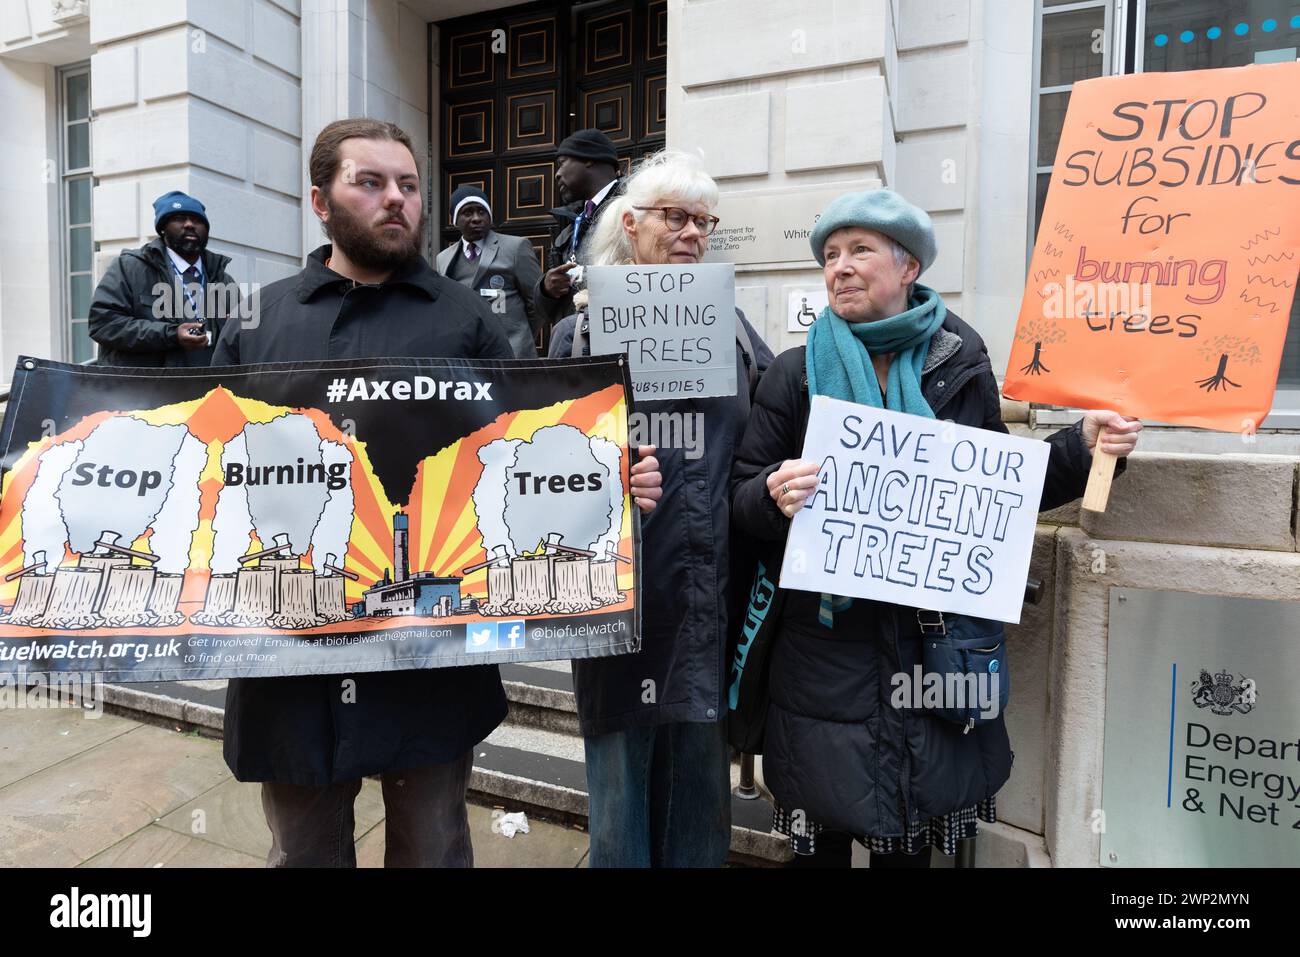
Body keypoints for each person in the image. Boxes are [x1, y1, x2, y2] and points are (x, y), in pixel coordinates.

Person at [211, 117, 664, 868]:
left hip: (431, 652)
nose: (397, 199)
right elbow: (207, 463)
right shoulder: (260, 320)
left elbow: (522, 455)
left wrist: (608, 480)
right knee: (302, 852)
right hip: (289, 657)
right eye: (371, 182)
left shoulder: (465, 319)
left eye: (410, 185)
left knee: (433, 847)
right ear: (320, 201)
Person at [729, 189, 1142, 868]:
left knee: (909, 846)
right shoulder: (795, 373)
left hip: (934, 651)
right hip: (824, 655)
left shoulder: (961, 359)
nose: (840, 267)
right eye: (830, 255)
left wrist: (1086, 445)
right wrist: (772, 496)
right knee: (819, 851)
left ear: (908, 266)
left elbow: (1004, 487)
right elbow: (740, 499)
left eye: (860, 250)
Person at [549, 149, 774, 867]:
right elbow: (534, 467)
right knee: (619, 809)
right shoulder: (576, 335)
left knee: (699, 810)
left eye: (704, 221)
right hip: (618, 604)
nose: (693, 233)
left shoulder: (736, 332)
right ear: (629, 223)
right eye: (675, 216)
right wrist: (604, 480)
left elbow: (771, 435)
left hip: (709, 599)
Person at [89, 190, 241, 366]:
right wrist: (171, 334)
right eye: (180, 218)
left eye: (198, 220)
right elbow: (103, 324)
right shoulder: (130, 268)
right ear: (162, 228)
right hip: (148, 389)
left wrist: (236, 328)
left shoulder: (223, 279)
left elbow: (241, 337)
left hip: (209, 388)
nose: (190, 224)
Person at [434, 186, 543, 358]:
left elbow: (537, 301)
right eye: (467, 212)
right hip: (468, 356)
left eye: (481, 211)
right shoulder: (444, 259)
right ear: (455, 220)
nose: (476, 218)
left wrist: (521, 333)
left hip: (512, 353)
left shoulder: (516, 247)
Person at [533, 129, 624, 330]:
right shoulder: (570, 224)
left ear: (588, 158)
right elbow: (545, 312)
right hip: (573, 343)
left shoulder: (633, 210)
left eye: (562, 163)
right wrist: (547, 288)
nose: (557, 174)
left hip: (613, 342)